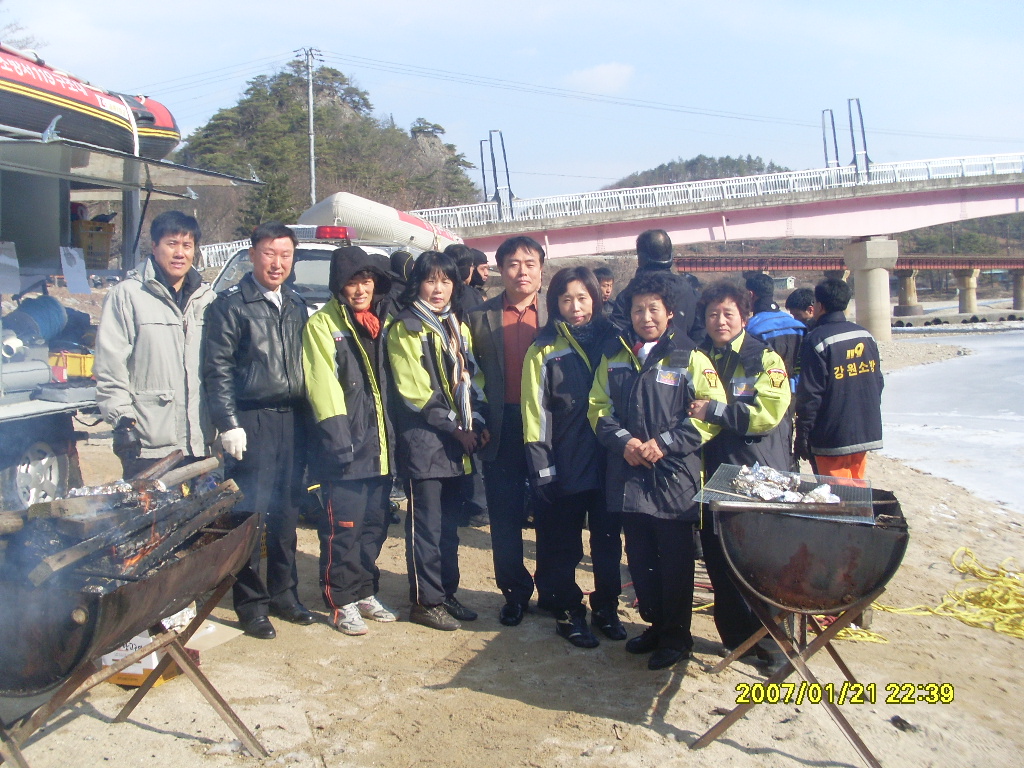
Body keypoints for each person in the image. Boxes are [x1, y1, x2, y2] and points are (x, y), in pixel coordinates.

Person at [588, 271, 725, 670]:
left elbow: (709, 417)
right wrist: (625, 443)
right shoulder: (615, 355)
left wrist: (664, 443)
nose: (645, 317)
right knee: (640, 556)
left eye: (653, 309)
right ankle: (654, 625)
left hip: (674, 478)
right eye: (637, 310)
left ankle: (677, 637)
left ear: (669, 313)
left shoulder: (691, 357)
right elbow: (597, 408)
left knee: (675, 561)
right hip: (629, 473)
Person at [202, 222, 312, 639]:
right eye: (269, 253)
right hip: (251, 420)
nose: (277, 263)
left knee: (287, 512)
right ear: (252, 255)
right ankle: (251, 605)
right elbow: (217, 370)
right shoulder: (231, 306)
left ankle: (284, 593)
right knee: (250, 514)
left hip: (292, 420)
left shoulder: (296, 304)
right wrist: (228, 423)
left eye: (285, 255)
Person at [689, 280, 792, 658]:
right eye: (712, 314)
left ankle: (770, 644)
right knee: (719, 561)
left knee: (758, 564)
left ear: (744, 317)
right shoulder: (696, 356)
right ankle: (734, 639)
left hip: (752, 474)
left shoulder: (763, 359)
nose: (720, 321)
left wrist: (714, 410)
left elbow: (767, 414)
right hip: (708, 474)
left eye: (728, 313)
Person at [521, 267, 623, 648]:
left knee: (608, 542)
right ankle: (568, 610)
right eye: (566, 300)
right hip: (566, 461)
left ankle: (607, 608)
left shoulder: (617, 342)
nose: (576, 307)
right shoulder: (544, 348)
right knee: (563, 543)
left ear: (596, 298)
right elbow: (535, 413)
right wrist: (542, 467)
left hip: (610, 461)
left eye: (582, 298)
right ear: (555, 304)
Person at [388, 251, 487, 631]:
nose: (438, 288)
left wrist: (478, 420)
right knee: (426, 527)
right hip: (425, 442)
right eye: (430, 280)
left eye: (445, 281)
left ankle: (447, 593)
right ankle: (425, 602)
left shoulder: (454, 326)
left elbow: (472, 377)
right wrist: (456, 427)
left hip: (455, 444)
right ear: (417, 284)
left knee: (448, 528)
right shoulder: (407, 326)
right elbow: (414, 392)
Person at [302, 246, 398, 635]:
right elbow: (322, 385)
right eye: (352, 282)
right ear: (338, 285)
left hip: (380, 447)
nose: (360, 289)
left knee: (374, 525)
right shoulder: (323, 325)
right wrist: (339, 442)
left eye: (367, 281)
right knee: (343, 528)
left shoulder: (383, 322)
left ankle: (364, 591)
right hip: (346, 449)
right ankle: (340, 602)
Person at [95, 210, 214, 480]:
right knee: (150, 508)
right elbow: (110, 368)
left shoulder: (206, 299)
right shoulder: (128, 296)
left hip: (200, 441)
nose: (180, 253)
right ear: (154, 246)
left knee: (201, 507)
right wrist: (123, 421)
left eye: (187, 245)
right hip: (149, 442)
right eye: (172, 244)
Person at [468, 236, 546, 626]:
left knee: (550, 513)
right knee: (504, 516)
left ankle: (553, 590)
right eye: (513, 264)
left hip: (547, 429)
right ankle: (514, 593)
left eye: (530, 264)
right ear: (500, 269)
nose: (522, 272)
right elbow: (468, 375)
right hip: (500, 427)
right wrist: (478, 419)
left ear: (541, 270)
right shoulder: (478, 317)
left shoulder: (557, 313)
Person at [795, 278, 884, 480]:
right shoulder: (865, 335)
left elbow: (811, 394)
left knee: (836, 492)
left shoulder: (816, 339)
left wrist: (803, 434)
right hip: (865, 429)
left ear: (820, 306)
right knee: (857, 486)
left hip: (831, 434)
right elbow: (877, 382)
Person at [445, 245, 491, 528]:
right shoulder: (470, 298)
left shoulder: (461, 302)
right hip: (467, 386)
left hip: (461, 388)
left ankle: (473, 504)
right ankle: (477, 505)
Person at [744, 273, 806, 465]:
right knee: (788, 439)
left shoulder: (752, 328)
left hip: (767, 395)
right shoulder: (798, 326)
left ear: (751, 294)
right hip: (794, 393)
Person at [610, 229, 704, 344]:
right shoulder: (691, 293)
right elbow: (701, 334)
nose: (647, 318)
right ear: (670, 255)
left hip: (637, 355)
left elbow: (617, 337)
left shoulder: (629, 295)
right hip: (685, 354)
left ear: (640, 258)